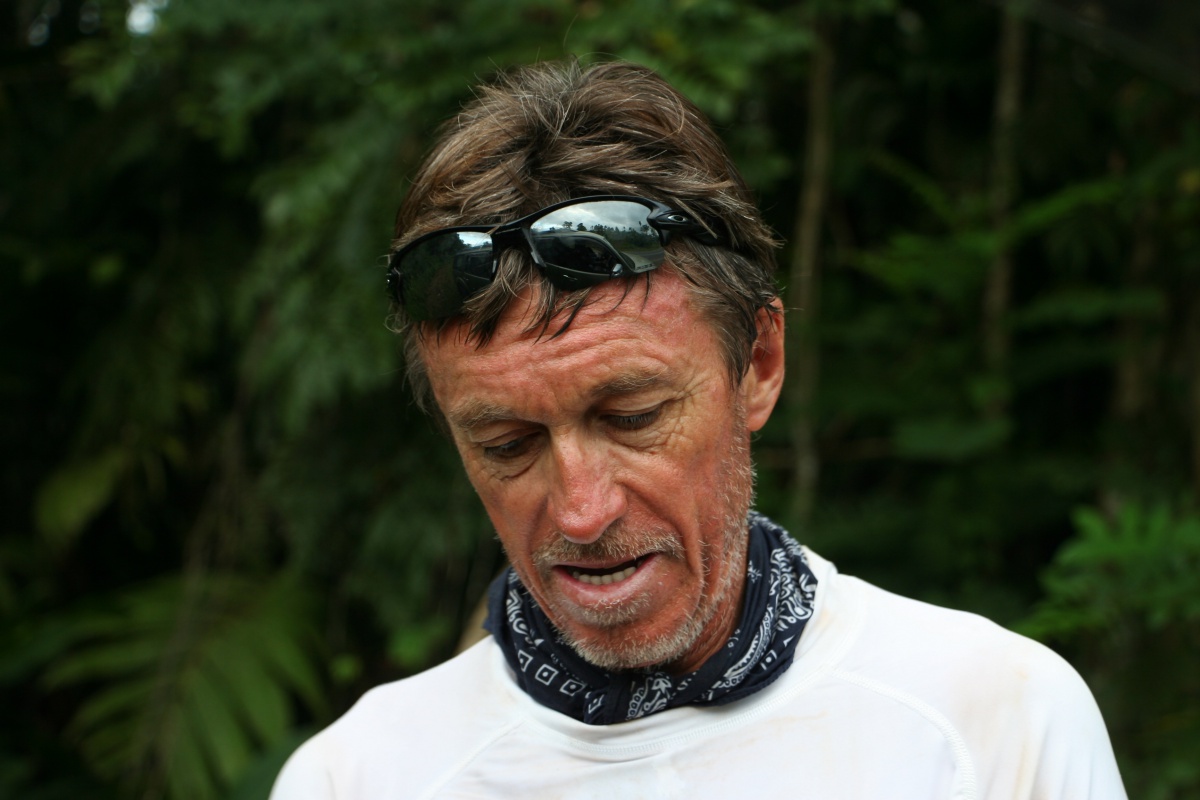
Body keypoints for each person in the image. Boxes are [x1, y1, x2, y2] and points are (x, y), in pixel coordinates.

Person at [271, 60, 1126, 799]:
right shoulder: (358, 778)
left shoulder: (993, 725)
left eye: (633, 417)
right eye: (507, 445)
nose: (581, 513)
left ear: (758, 363)